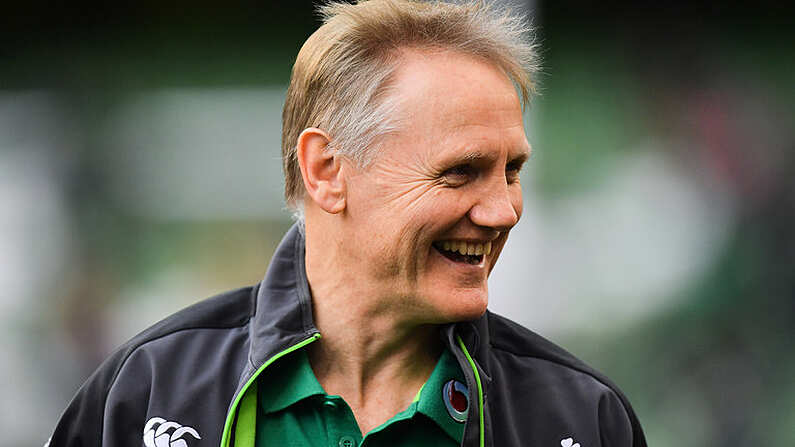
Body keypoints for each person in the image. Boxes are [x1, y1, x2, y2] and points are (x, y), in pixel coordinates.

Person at [48, 1, 647, 446]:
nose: (504, 210)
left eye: (511, 170)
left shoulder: (583, 419)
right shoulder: (145, 391)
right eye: (461, 172)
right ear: (327, 170)